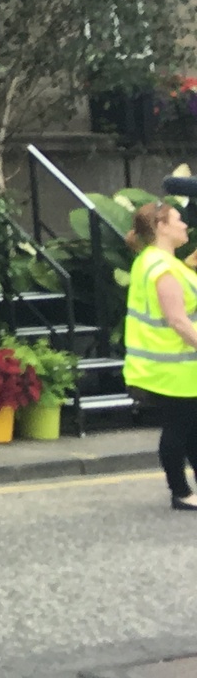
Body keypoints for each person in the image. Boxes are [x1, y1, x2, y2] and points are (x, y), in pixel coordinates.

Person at [124, 193, 197, 511]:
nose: (185, 225)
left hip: (167, 365)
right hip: (172, 368)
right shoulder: (162, 268)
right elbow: (179, 321)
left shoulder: (154, 261)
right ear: (161, 226)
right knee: (180, 429)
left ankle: (184, 490)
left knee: (190, 428)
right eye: (178, 220)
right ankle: (180, 492)